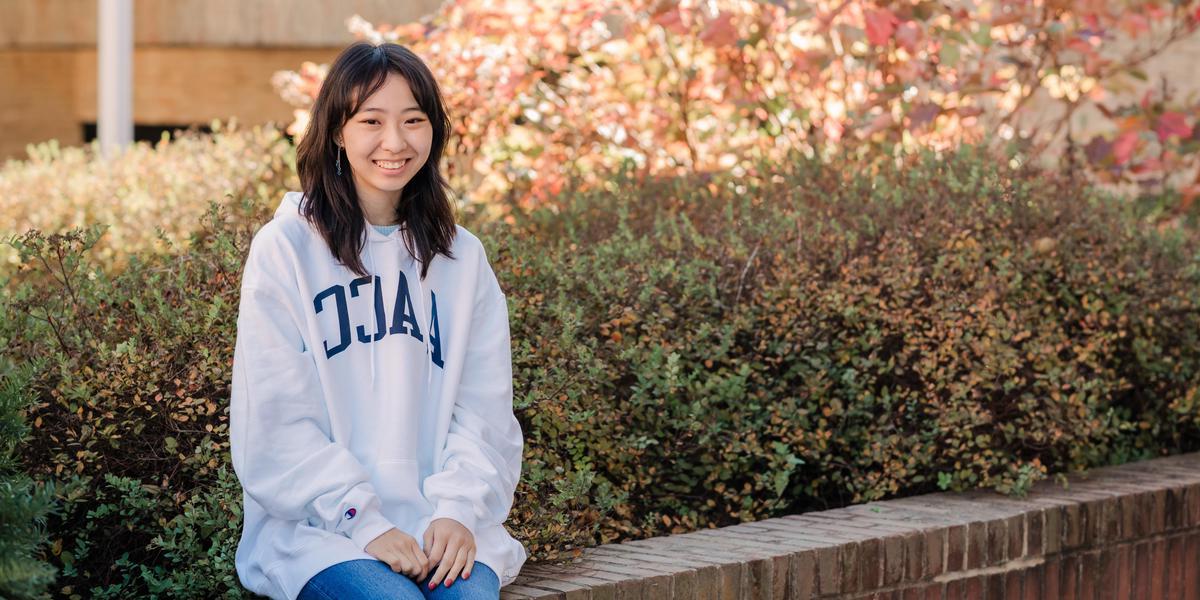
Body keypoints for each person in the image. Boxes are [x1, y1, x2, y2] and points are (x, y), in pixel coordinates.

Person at [229, 41, 526, 600]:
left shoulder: (462, 260)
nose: (395, 142)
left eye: (414, 120)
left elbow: (484, 410)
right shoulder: (287, 248)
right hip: (322, 531)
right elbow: (273, 416)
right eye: (371, 121)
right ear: (338, 131)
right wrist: (363, 521)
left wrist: (459, 510)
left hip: (444, 524)